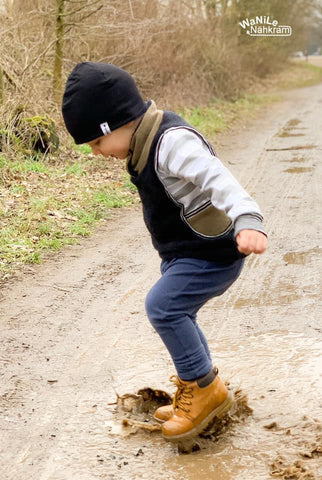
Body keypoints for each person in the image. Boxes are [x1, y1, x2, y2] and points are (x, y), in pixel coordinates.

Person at [62, 62, 268, 442]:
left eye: (95, 142)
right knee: (177, 310)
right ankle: (205, 387)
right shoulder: (143, 142)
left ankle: (203, 389)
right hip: (187, 251)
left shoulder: (171, 142)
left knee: (164, 306)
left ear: (116, 124)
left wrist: (247, 218)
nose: (95, 153)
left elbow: (216, 176)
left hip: (212, 254)